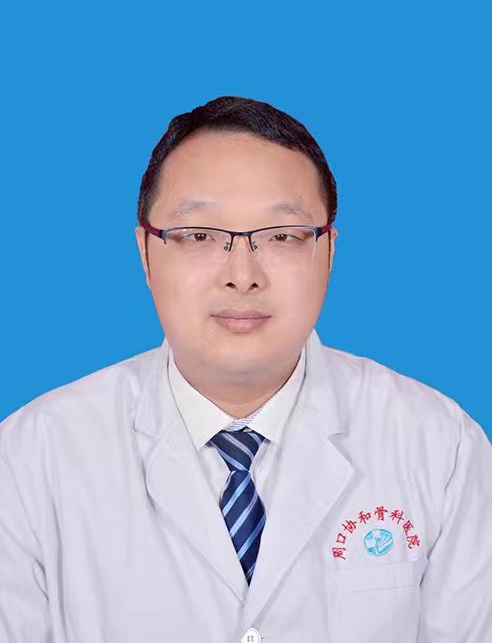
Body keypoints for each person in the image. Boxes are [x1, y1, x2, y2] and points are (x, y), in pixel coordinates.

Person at [0, 95, 490, 643]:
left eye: (282, 236)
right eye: (199, 235)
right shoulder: (31, 457)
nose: (242, 274)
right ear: (145, 252)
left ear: (329, 252)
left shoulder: (439, 446)